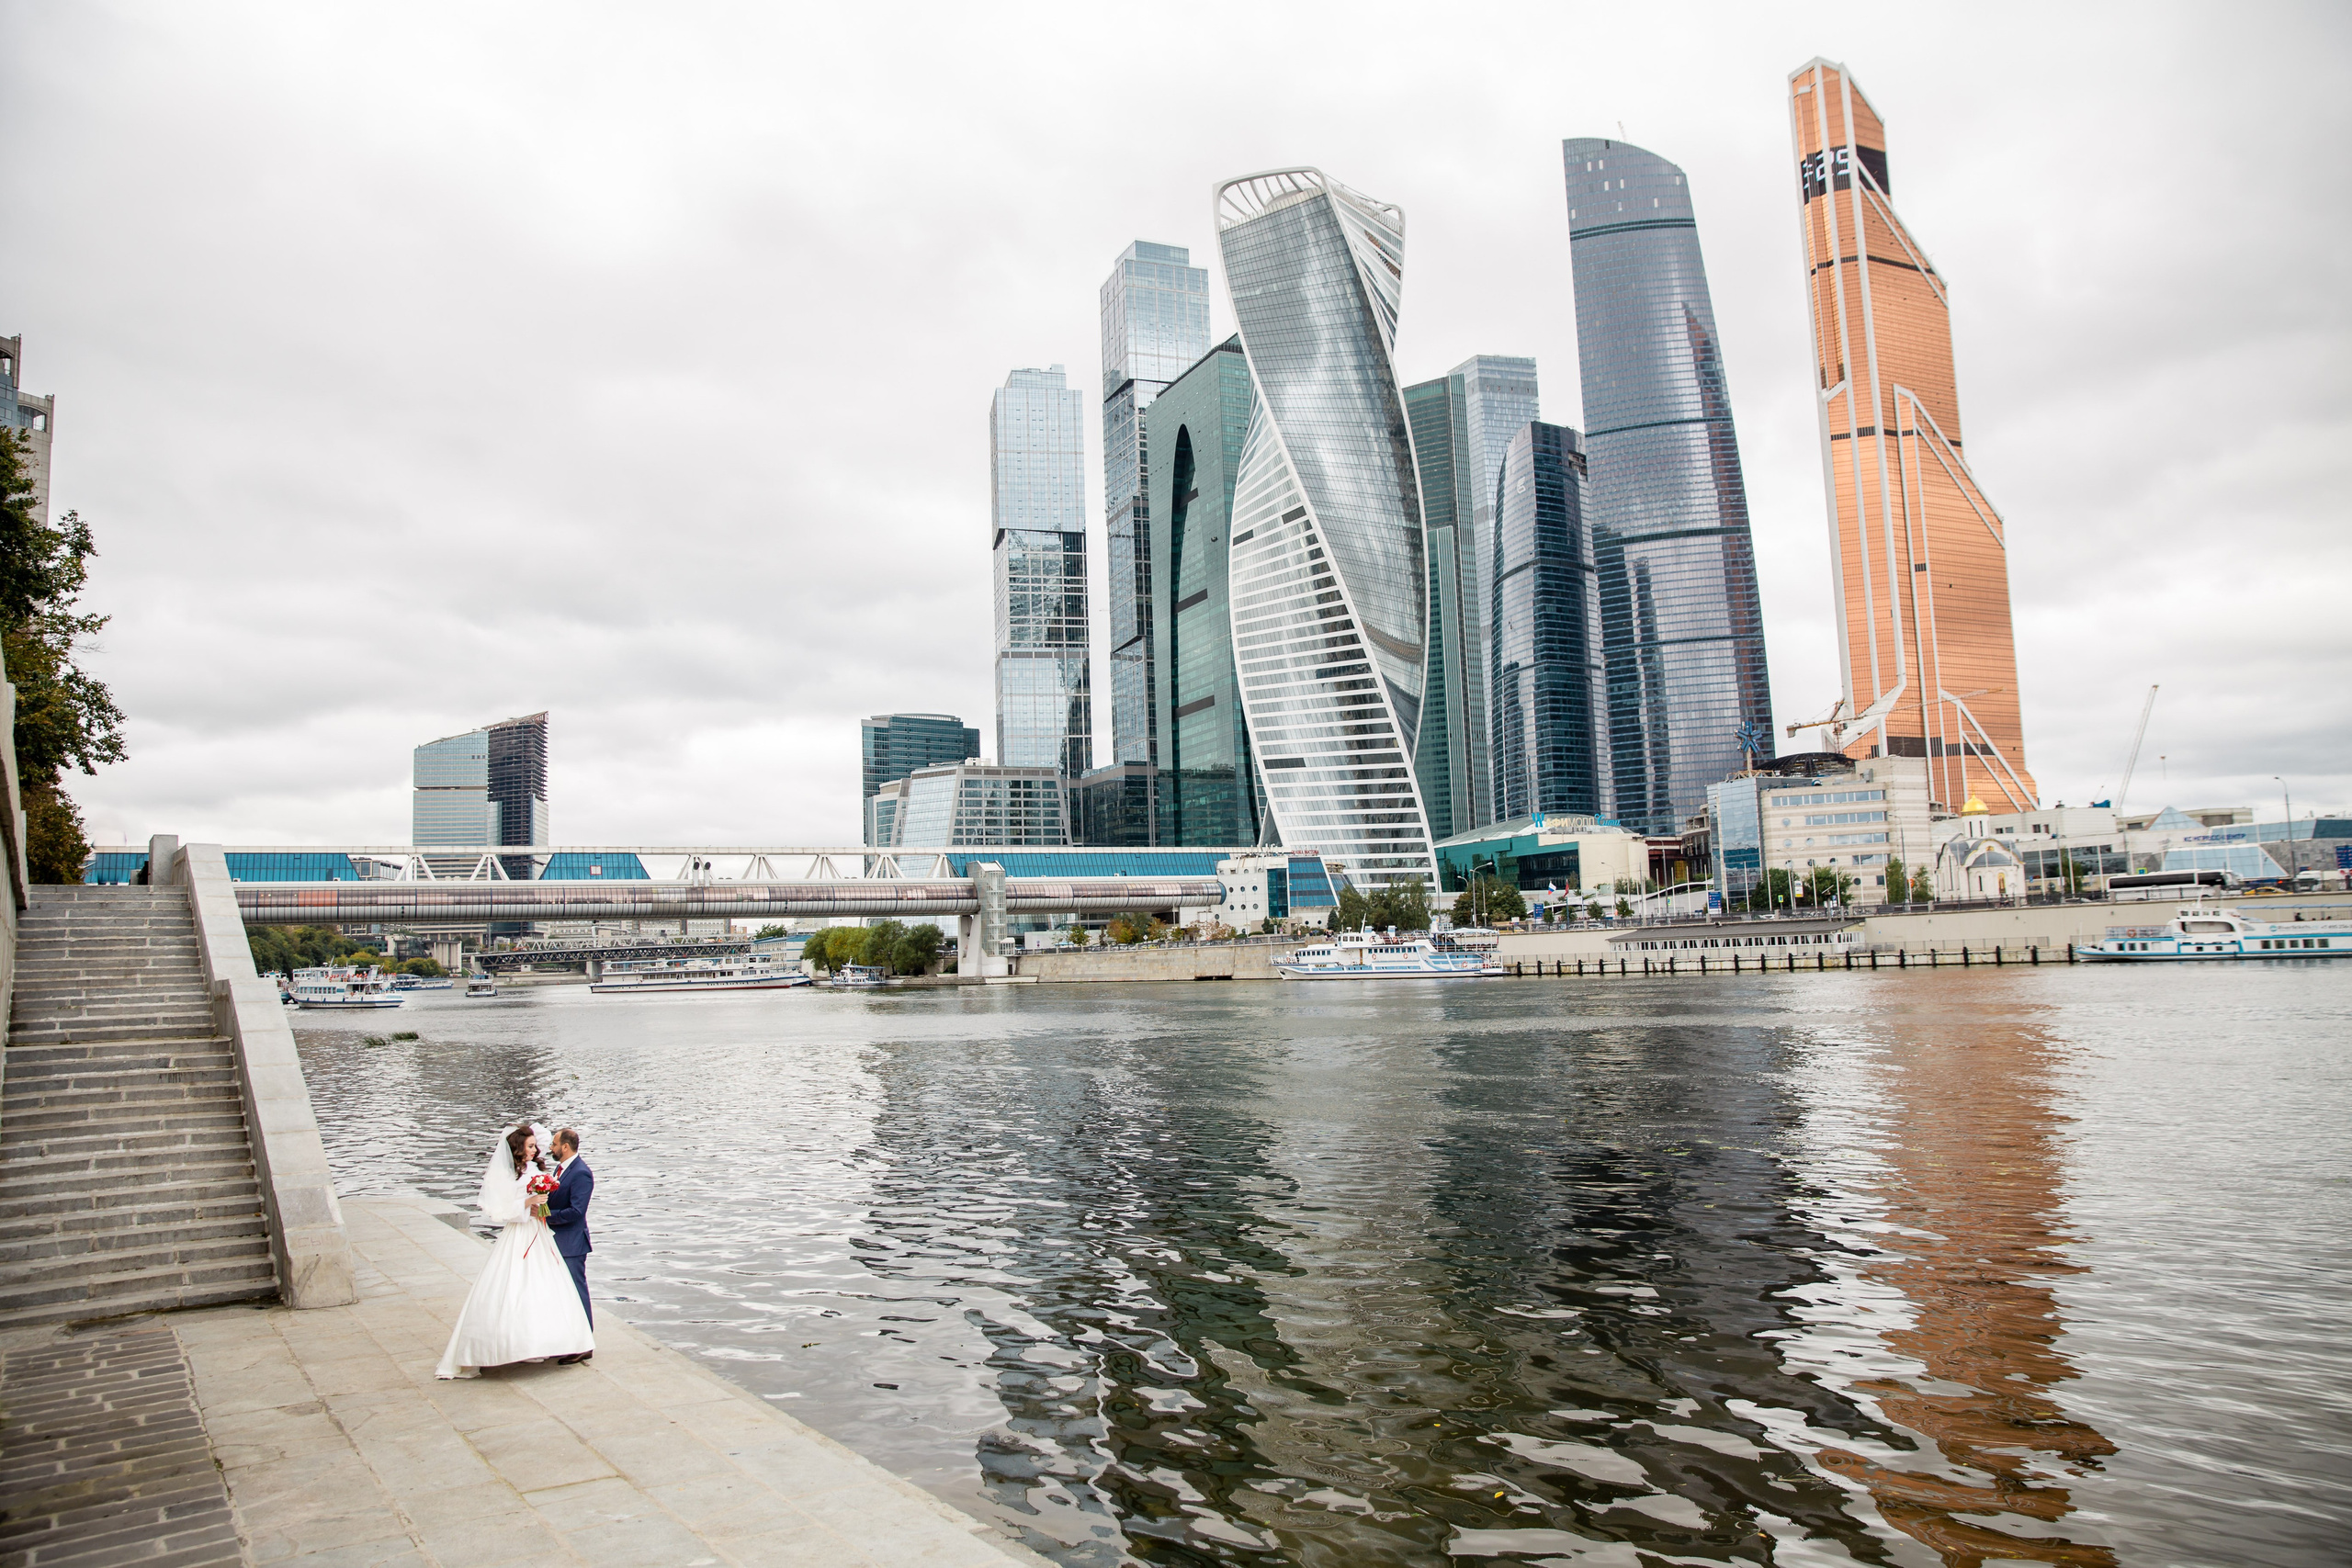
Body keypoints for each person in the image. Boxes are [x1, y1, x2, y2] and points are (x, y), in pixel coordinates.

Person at [434, 1122, 594, 1379]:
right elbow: (505, 1208)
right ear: (519, 1149)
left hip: (545, 1234)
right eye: (531, 1146)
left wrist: (542, 1210)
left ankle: (577, 1343)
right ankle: (524, 1342)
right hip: (523, 1233)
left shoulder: (563, 1171)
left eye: (542, 1145)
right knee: (519, 1286)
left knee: (556, 1286)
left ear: (565, 1146)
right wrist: (530, 1203)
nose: (539, 1149)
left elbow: (574, 1210)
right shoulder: (519, 1173)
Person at [541, 1127, 594, 1364]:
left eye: (554, 1144)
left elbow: (576, 1211)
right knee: (563, 1292)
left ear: (565, 1146)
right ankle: (567, 1339)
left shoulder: (581, 1173)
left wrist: (545, 1214)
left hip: (572, 1243)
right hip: (557, 1240)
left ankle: (585, 1344)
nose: (550, 1149)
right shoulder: (561, 1168)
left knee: (577, 1291)